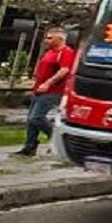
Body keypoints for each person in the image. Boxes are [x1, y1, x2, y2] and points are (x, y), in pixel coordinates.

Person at [15, 26, 75, 157]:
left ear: (60, 39)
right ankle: (29, 147)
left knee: (36, 118)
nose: (46, 41)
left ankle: (57, 139)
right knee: (30, 121)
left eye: (50, 38)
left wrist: (48, 83)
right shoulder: (50, 52)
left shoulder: (65, 52)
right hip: (39, 90)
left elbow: (64, 70)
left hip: (52, 91)